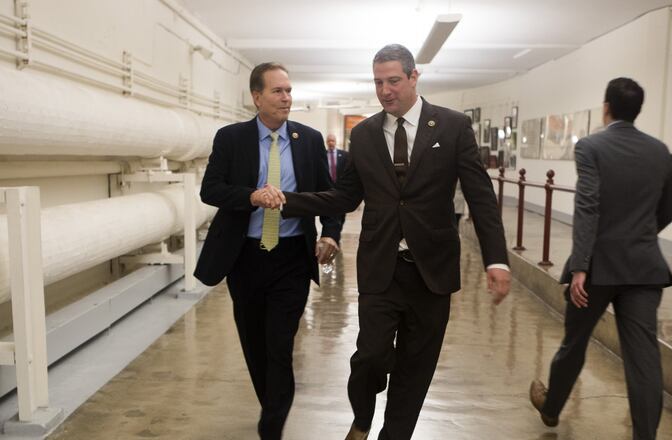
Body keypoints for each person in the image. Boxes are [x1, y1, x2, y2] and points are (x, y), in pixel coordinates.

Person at [260, 44, 511, 440]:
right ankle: (362, 417)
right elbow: (344, 197)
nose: (385, 90)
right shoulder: (364, 135)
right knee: (370, 358)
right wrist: (287, 200)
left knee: (415, 369)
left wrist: (497, 260)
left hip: (433, 272)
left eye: (393, 80)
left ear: (414, 77)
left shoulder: (452, 126)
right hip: (382, 268)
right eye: (378, 82)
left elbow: (480, 197)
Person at [193, 62, 340, 439]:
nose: (287, 98)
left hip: (292, 256)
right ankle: (271, 404)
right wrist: (251, 196)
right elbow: (210, 190)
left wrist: (330, 234)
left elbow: (329, 197)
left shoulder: (307, 139)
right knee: (254, 343)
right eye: (277, 91)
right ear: (256, 97)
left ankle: (271, 426)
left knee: (279, 343)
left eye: (289, 90)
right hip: (245, 258)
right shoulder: (231, 138)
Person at [529, 77, 672, 440]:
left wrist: (581, 265)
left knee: (574, 343)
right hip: (644, 267)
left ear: (606, 107)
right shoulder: (660, 151)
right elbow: (668, 208)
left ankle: (551, 409)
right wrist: (640, 235)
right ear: (637, 110)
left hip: (597, 267)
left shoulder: (592, 147)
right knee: (644, 359)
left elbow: (588, 206)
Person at [326, 133, 349, 238]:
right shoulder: (322, 154)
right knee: (330, 211)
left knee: (342, 212)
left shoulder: (344, 155)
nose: (331, 143)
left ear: (335, 142)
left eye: (332, 141)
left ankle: (338, 229)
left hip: (341, 188)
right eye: (329, 141)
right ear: (326, 142)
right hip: (328, 188)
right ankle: (333, 233)